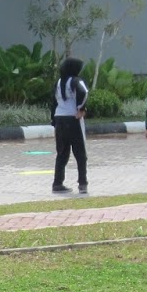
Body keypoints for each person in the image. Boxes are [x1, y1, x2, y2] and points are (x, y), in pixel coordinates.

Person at [50, 56, 88, 193]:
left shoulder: (58, 82)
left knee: (62, 153)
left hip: (59, 119)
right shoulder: (76, 81)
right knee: (80, 154)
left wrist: (53, 122)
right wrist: (81, 108)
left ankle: (57, 183)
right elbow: (84, 92)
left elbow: (53, 103)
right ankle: (82, 183)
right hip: (73, 120)